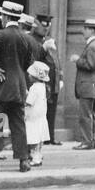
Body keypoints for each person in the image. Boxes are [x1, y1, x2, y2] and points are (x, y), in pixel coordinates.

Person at [0, 1, 33, 172]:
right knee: (18, 124)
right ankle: (24, 160)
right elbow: (28, 62)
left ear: (7, 17)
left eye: (2, 15)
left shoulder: (1, 34)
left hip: (1, 88)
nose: (1, 18)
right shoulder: (26, 37)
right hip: (18, 87)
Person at [71, 18, 95, 149]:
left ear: (91, 30)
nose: (82, 31)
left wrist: (77, 60)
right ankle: (91, 140)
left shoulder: (93, 46)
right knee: (90, 115)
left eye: (85, 28)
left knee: (85, 116)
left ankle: (86, 142)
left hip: (88, 86)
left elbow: (90, 65)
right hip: (92, 86)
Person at [33, 14, 62, 145]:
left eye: (48, 25)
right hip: (42, 82)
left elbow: (57, 61)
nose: (46, 28)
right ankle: (42, 137)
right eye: (44, 25)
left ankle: (50, 136)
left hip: (53, 82)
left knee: (52, 110)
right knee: (41, 111)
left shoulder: (50, 40)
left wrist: (60, 77)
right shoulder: (35, 40)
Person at [24, 62, 51, 166]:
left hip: (32, 118)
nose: (29, 76)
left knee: (33, 141)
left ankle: (35, 159)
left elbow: (29, 102)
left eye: (30, 74)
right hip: (41, 117)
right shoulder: (43, 87)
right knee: (39, 141)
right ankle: (38, 156)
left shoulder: (34, 88)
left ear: (35, 76)